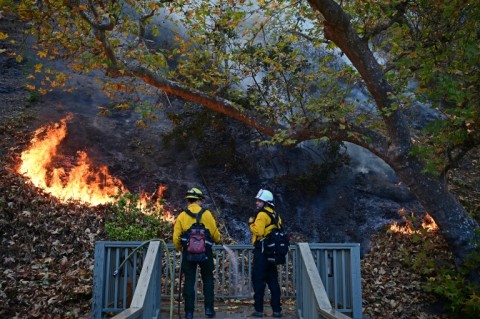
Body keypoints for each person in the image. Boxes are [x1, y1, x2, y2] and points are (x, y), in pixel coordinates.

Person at [173, 187, 221, 319]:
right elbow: (215, 235)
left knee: (189, 281)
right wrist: (218, 241)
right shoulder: (207, 214)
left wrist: (180, 248)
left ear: (189, 200)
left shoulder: (182, 216)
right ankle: (209, 309)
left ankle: (189, 313)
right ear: (199, 200)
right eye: (201, 201)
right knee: (208, 280)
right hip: (206, 253)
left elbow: (176, 238)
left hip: (188, 255)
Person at [248, 189, 282, 318]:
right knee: (273, 281)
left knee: (258, 280)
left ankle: (258, 310)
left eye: (259, 201)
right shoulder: (276, 215)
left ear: (266, 202)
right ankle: (277, 310)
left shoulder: (262, 215)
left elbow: (259, 232)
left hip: (261, 252)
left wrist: (251, 224)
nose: (256, 203)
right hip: (272, 252)